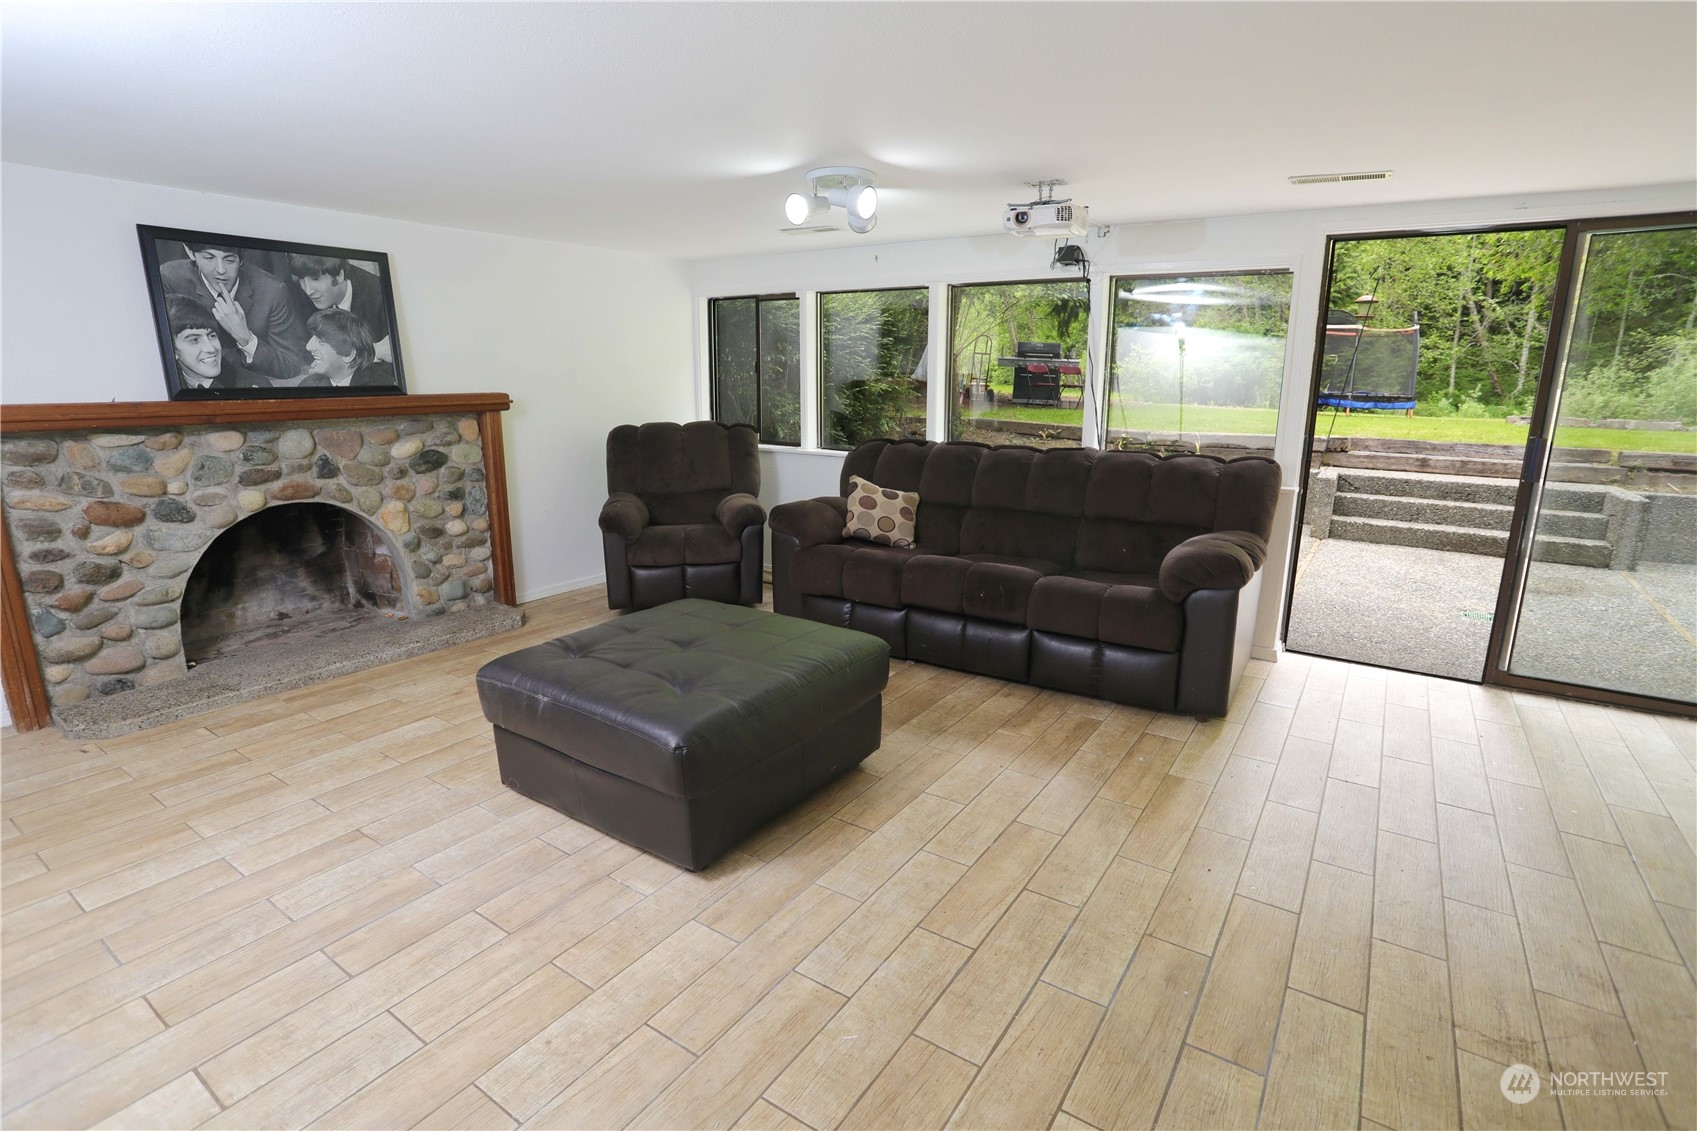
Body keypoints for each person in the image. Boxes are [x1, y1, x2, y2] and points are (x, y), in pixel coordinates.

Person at [158, 240, 307, 382]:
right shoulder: (170, 277)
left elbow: (290, 365)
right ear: (190, 252)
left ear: (241, 259)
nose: (221, 270)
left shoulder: (273, 291)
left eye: (229, 260)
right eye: (209, 258)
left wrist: (245, 338)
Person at [288, 254, 394, 365]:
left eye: (315, 279)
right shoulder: (299, 295)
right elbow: (303, 353)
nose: (308, 290)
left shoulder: (380, 295)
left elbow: (389, 357)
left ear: (339, 275)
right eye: (301, 278)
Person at [165, 294, 266, 391]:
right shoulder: (163, 387)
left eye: (212, 336)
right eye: (195, 340)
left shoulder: (252, 385)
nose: (211, 348)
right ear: (171, 350)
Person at [298, 308, 397, 388]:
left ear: (348, 354)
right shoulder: (307, 386)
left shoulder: (383, 387)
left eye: (321, 341)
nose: (308, 346)